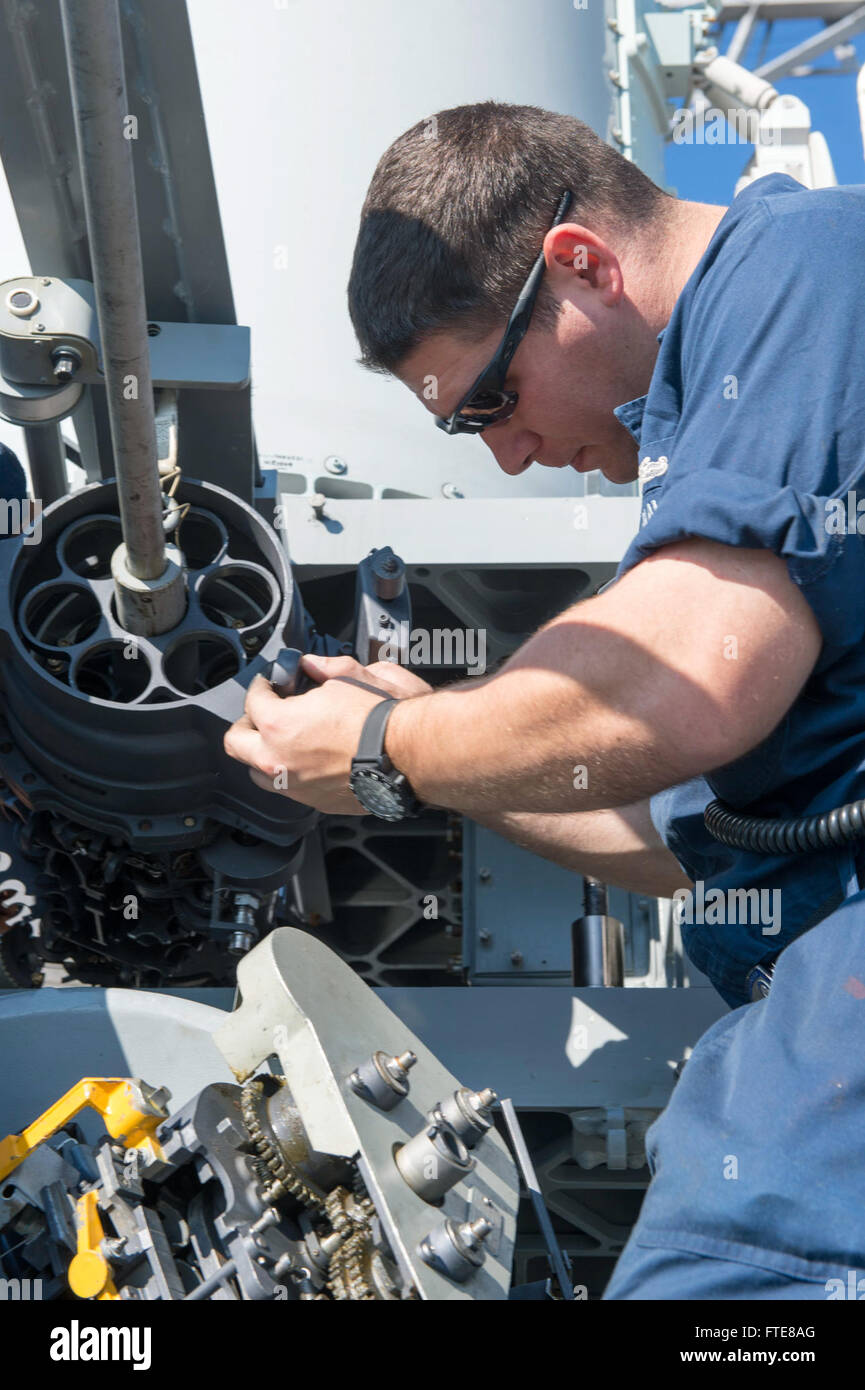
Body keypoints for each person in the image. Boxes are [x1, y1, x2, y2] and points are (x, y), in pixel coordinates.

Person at [225, 102, 865, 1298]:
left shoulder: (801, 271)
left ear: (580, 266)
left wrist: (387, 743)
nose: (506, 454)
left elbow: (689, 679)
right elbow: (681, 833)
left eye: (490, 402)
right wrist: (434, 750)